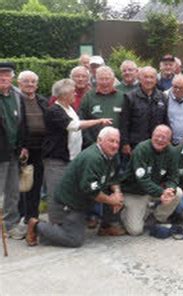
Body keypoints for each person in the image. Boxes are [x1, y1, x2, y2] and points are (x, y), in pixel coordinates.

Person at [26, 127, 124, 247]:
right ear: (99, 140)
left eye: (117, 142)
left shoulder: (112, 155)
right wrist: (111, 200)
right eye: (111, 141)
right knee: (74, 240)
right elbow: (90, 191)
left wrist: (117, 193)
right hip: (70, 203)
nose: (115, 145)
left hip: (85, 200)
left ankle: (106, 226)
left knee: (116, 197)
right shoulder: (92, 158)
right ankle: (37, 225)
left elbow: (114, 177)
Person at [42, 79, 112, 208]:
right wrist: (99, 121)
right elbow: (73, 126)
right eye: (73, 92)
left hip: (71, 158)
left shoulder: (70, 108)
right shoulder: (54, 110)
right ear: (64, 95)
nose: (75, 94)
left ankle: (66, 221)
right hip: (56, 159)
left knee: (68, 191)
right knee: (55, 191)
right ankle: (55, 223)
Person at [120, 125, 182, 235]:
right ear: (152, 135)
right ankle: (125, 212)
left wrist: (170, 189)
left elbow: (173, 176)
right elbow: (142, 180)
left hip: (154, 190)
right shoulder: (141, 149)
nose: (160, 140)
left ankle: (156, 218)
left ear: (169, 140)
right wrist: (161, 192)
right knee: (135, 231)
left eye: (164, 137)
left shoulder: (172, 152)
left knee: (177, 193)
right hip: (135, 191)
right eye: (157, 136)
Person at [0, 62, 29, 239]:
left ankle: (10, 225)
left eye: (7, 75)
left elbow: (22, 124)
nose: (4, 78)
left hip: (13, 152)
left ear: (12, 78)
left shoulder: (17, 96)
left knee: (12, 190)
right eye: (0, 75)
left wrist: (23, 145)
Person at [17, 71, 48, 226]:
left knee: (36, 183)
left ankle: (33, 216)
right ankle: (22, 216)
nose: (30, 84)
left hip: (40, 148)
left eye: (33, 82)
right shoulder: (15, 100)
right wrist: (22, 146)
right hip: (24, 149)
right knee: (23, 183)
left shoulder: (42, 100)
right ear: (19, 83)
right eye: (26, 81)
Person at [120, 66, 168, 155]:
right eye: (146, 77)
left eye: (151, 77)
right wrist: (125, 143)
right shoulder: (130, 97)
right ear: (140, 79)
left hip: (157, 144)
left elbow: (166, 121)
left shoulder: (162, 97)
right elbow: (124, 123)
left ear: (156, 80)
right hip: (136, 145)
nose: (148, 80)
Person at [79, 66, 124, 147]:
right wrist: (89, 141)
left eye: (107, 79)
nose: (104, 82)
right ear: (96, 80)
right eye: (101, 79)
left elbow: (127, 121)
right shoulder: (88, 96)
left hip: (117, 144)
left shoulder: (122, 96)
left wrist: (124, 142)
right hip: (94, 144)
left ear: (113, 80)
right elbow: (82, 119)